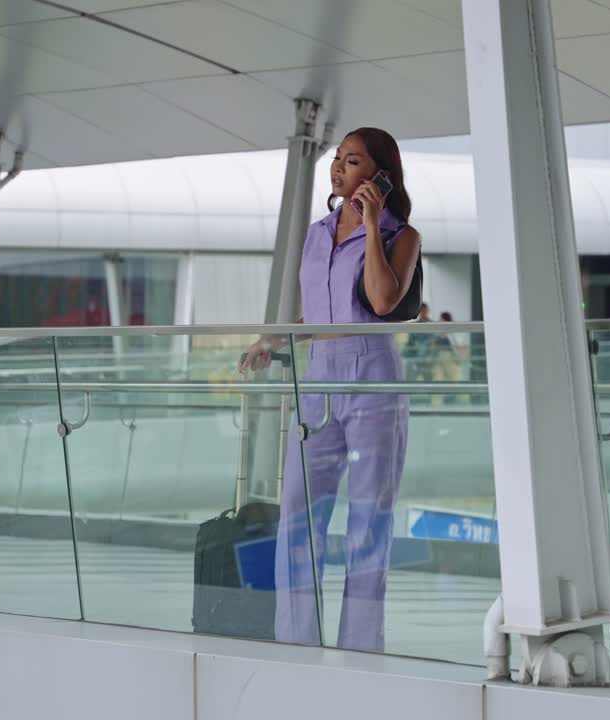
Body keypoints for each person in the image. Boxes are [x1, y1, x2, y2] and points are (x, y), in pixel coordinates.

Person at [240, 128, 420, 651]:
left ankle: (361, 647)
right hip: (317, 373)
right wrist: (279, 338)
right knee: (298, 512)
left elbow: (383, 302)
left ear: (380, 174)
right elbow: (322, 306)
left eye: (354, 161)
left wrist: (369, 223)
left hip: (373, 377)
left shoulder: (400, 236)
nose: (339, 167)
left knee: (368, 520)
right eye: (338, 159)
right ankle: (295, 641)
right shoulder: (317, 233)